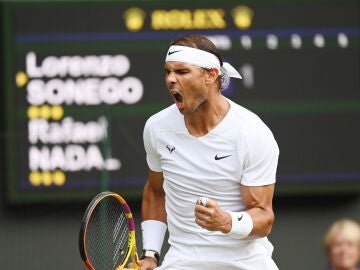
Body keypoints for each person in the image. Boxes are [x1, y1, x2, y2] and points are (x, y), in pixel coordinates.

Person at [139, 34, 280, 270]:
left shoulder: (251, 133)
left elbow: (264, 218)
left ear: (211, 75)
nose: (171, 80)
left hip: (245, 263)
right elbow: (155, 192)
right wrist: (151, 254)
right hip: (182, 261)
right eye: (168, 72)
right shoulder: (156, 128)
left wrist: (226, 222)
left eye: (182, 72)